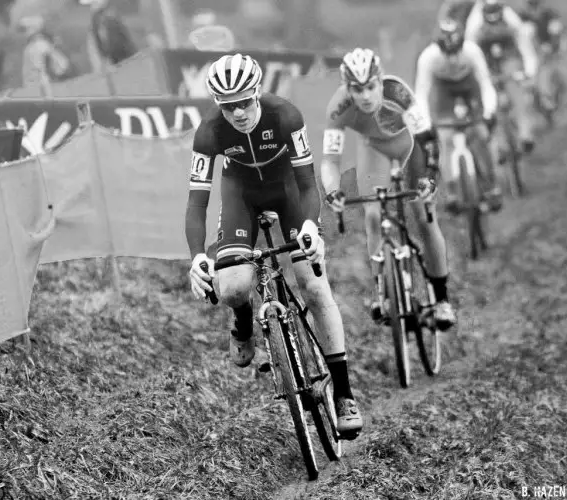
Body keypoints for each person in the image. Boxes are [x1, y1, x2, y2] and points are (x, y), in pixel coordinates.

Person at [185, 53, 363, 437]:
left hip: (288, 192)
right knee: (231, 287)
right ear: (218, 105)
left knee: (314, 286)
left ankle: (345, 393)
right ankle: (244, 322)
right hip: (240, 196)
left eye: (244, 103)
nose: (238, 114)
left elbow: (306, 182)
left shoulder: (285, 115)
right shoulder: (209, 133)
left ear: (257, 93)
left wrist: (312, 229)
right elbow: (197, 201)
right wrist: (197, 256)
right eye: (228, 106)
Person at [320, 48, 457, 331]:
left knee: (423, 215)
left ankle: (442, 299)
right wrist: (333, 191)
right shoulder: (338, 106)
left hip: (412, 149)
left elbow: (429, 141)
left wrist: (430, 178)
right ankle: (382, 292)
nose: (366, 96)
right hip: (375, 152)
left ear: (380, 81)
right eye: (357, 90)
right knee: (372, 215)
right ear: (347, 89)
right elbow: (329, 161)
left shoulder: (398, 92)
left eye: (371, 87)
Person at [415, 19, 501, 214]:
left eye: (456, 51)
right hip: (443, 94)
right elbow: (421, 93)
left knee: (480, 134)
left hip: (469, 90)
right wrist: (425, 124)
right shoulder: (428, 58)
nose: (453, 58)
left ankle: (491, 186)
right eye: (448, 53)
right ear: (438, 47)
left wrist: (489, 112)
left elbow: (485, 82)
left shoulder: (472, 52)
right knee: (445, 139)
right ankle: (452, 191)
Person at [465, 0, 539, 154]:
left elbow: (524, 45)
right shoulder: (474, 23)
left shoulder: (510, 18)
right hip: (485, 59)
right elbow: (470, 53)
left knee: (516, 92)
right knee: (490, 101)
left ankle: (525, 135)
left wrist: (527, 71)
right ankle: (499, 145)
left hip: (508, 56)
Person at [518, 0, 567, 113]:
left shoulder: (550, 14)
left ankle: (556, 102)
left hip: (552, 49)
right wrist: (539, 49)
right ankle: (535, 101)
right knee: (531, 75)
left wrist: (552, 46)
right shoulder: (523, 17)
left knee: (559, 76)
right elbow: (524, 40)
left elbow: (558, 33)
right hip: (531, 52)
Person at [17, 15, 73, 91]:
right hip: (36, 90)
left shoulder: (40, 46)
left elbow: (62, 66)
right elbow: (62, 66)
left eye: (24, 30)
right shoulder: (38, 45)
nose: (22, 34)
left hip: (43, 90)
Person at [79, 0, 138, 72]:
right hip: (114, 60)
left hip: (123, 56)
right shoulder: (95, 20)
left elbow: (122, 38)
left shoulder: (110, 16)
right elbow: (99, 41)